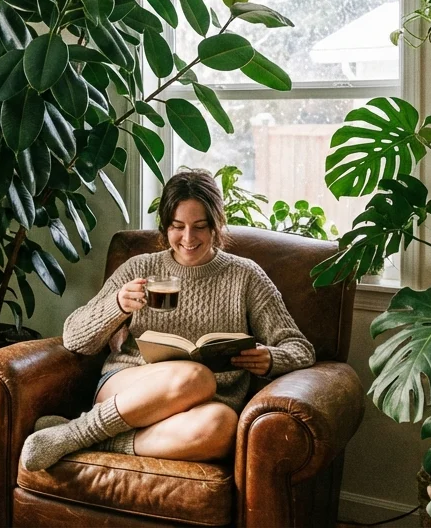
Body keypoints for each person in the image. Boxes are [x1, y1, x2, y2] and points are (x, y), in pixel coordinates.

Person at [20, 168, 315, 471]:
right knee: (196, 376)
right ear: (165, 227)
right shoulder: (140, 267)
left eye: (200, 226)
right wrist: (118, 306)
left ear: (216, 225)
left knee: (223, 426)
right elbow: (74, 338)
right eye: (177, 226)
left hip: (204, 405)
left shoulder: (246, 276)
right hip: (128, 386)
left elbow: (300, 348)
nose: (188, 238)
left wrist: (270, 359)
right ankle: (77, 432)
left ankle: (91, 438)